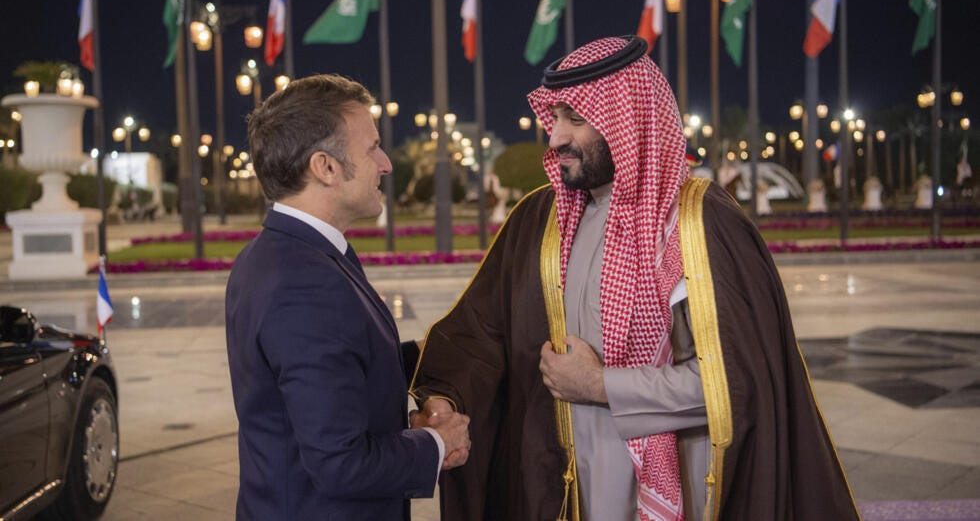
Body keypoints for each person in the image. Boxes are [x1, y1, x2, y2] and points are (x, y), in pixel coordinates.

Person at [409, 37, 860, 521]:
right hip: (558, 488)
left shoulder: (701, 225)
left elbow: (738, 381)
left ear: (628, 120)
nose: (556, 137)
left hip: (681, 491)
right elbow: (479, 335)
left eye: (575, 119)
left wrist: (603, 385)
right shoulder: (536, 221)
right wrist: (442, 401)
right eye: (554, 117)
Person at [225, 74, 470, 520]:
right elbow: (341, 463)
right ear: (326, 167)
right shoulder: (302, 283)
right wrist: (438, 443)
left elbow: (344, 367)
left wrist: (442, 358)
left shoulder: (285, 252)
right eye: (372, 147)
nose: (385, 164)